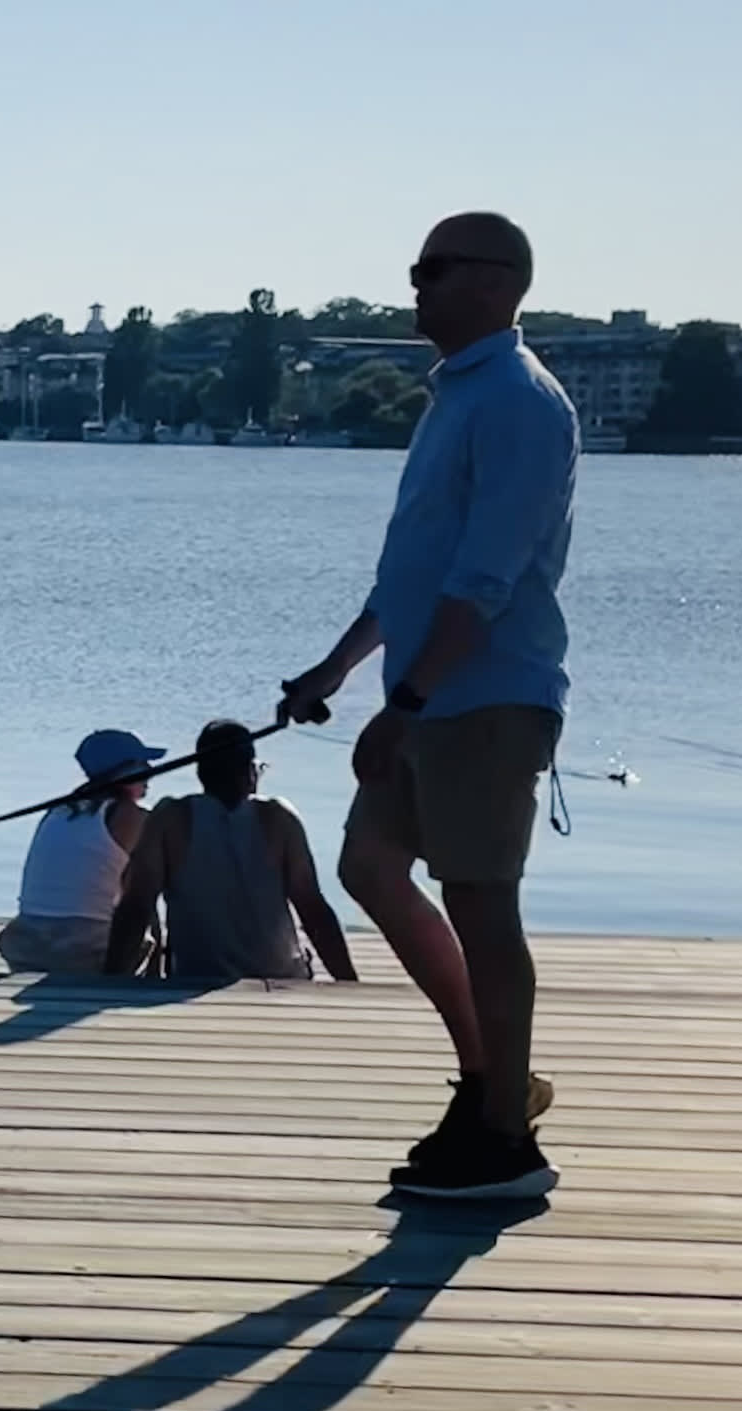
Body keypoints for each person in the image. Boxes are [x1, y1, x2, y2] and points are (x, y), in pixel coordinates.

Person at [276, 210, 574, 1201]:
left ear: (495, 284)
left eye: (432, 271)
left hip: (482, 698)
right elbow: (411, 571)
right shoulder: (454, 397)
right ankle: (492, 1076)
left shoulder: (521, 405)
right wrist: (335, 669)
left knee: (482, 905)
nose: (415, 288)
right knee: (367, 864)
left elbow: (482, 580)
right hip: (432, 693)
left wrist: (403, 701)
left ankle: (504, 1146)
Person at [104, 719, 357, 986]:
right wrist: (348, 982)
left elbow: (136, 906)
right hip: (277, 977)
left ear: (201, 772)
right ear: (250, 771)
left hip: (195, 978)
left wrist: (110, 981)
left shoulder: (170, 818)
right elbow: (312, 908)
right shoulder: (279, 817)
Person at [0, 728, 162, 975]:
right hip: (82, 953)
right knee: (141, 935)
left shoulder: (56, 811)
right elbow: (142, 895)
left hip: (25, 948)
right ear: (126, 772)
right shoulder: (130, 817)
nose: (150, 773)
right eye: (143, 766)